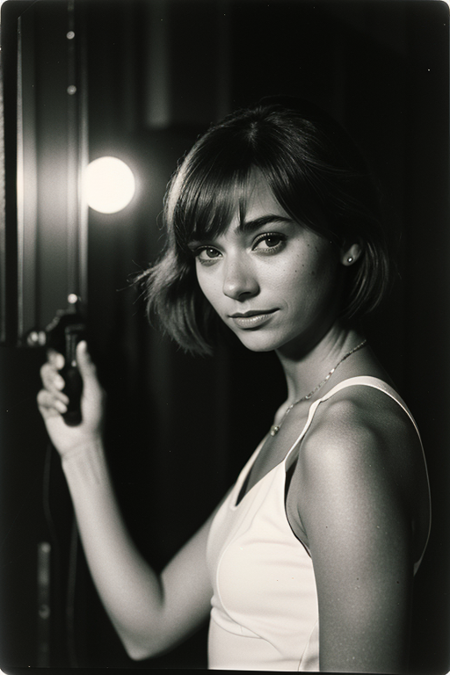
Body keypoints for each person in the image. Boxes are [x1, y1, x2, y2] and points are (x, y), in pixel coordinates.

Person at [38, 97, 431, 672]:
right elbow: (150, 622)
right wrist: (81, 448)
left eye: (268, 240)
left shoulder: (343, 443)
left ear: (347, 239)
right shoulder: (300, 415)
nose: (234, 283)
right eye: (209, 251)